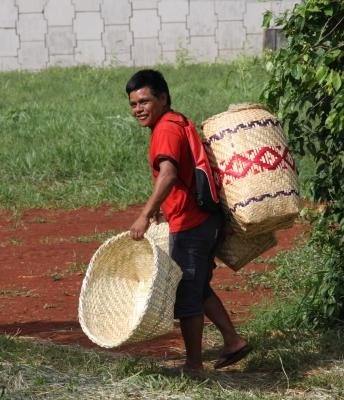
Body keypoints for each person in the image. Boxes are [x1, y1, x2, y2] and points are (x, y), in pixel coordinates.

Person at [125, 69, 251, 374]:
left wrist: (144, 214)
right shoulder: (177, 120)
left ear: (163, 98)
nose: (138, 109)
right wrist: (162, 207)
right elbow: (181, 177)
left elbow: (168, 174)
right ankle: (233, 341)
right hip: (205, 219)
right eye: (133, 104)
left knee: (186, 295)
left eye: (144, 101)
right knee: (197, 286)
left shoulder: (165, 129)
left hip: (191, 225)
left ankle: (194, 364)